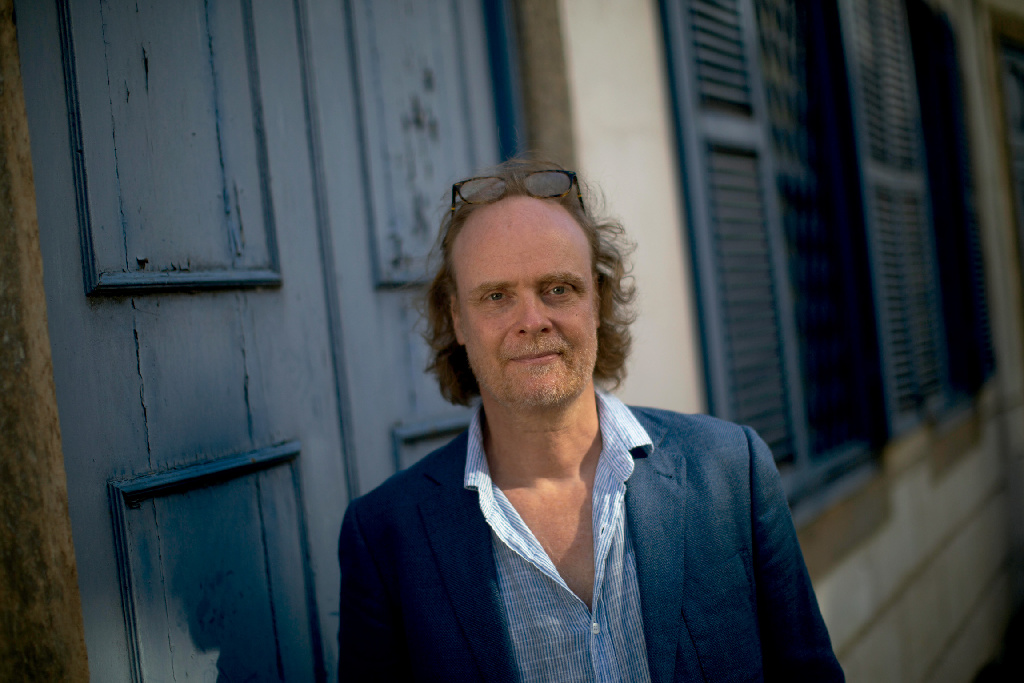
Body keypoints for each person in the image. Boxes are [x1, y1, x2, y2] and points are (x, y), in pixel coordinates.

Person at [337, 158, 844, 682]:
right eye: (496, 296)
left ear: (596, 300)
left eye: (558, 288)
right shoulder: (384, 537)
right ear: (457, 319)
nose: (532, 321)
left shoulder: (731, 470)